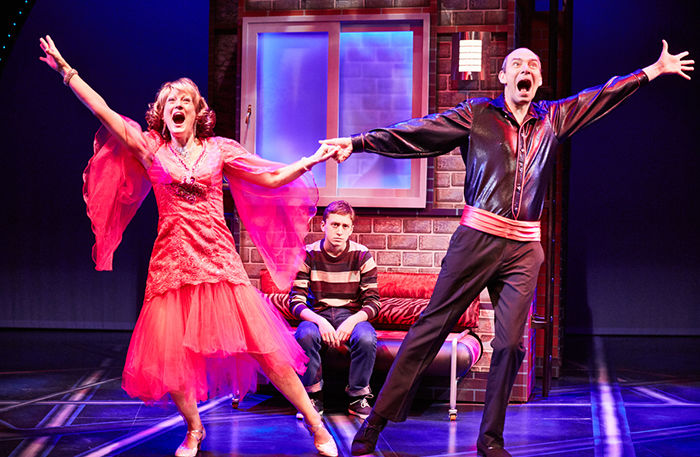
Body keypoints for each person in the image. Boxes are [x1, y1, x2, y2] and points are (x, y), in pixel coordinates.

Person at [322, 41, 693, 457]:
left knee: (511, 344)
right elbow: (419, 131)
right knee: (430, 329)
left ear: (539, 79)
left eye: (533, 64)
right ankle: (374, 422)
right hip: (476, 239)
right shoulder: (478, 114)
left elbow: (600, 95)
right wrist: (358, 142)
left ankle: (490, 439)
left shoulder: (553, 118)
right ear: (503, 77)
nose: (525, 69)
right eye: (517, 63)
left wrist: (651, 71)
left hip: (523, 249)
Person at [39, 35, 339, 457]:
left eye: (185, 100)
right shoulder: (151, 149)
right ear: (162, 114)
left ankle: (315, 422)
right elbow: (103, 111)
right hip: (172, 264)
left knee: (266, 348)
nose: (176, 104)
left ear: (199, 112)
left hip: (218, 261)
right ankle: (194, 429)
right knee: (172, 354)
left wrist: (309, 161)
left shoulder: (219, 150)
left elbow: (270, 178)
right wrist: (67, 72)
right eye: (169, 101)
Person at [289, 200, 380, 420]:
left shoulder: (362, 255)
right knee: (305, 334)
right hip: (317, 314)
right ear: (323, 226)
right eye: (334, 225)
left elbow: (373, 303)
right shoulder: (307, 254)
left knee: (366, 338)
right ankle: (312, 396)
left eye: (345, 226)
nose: (339, 231)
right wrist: (320, 322)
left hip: (351, 315)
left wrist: (351, 322)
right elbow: (296, 301)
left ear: (351, 229)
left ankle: (358, 397)